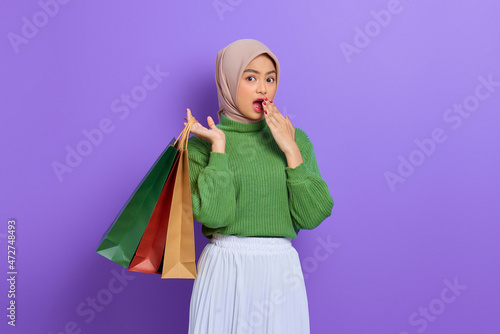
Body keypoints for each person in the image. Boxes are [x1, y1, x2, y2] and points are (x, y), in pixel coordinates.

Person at [184, 39, 334, 334]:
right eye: (250, 77)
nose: (263, 89)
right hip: (225, 271)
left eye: (270, 78)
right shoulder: (201, 145)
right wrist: (219, 149)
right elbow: (215, 215)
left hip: (281, 272)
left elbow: (314, 214)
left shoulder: (295, 138)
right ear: (227, 81)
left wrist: (291, 151)